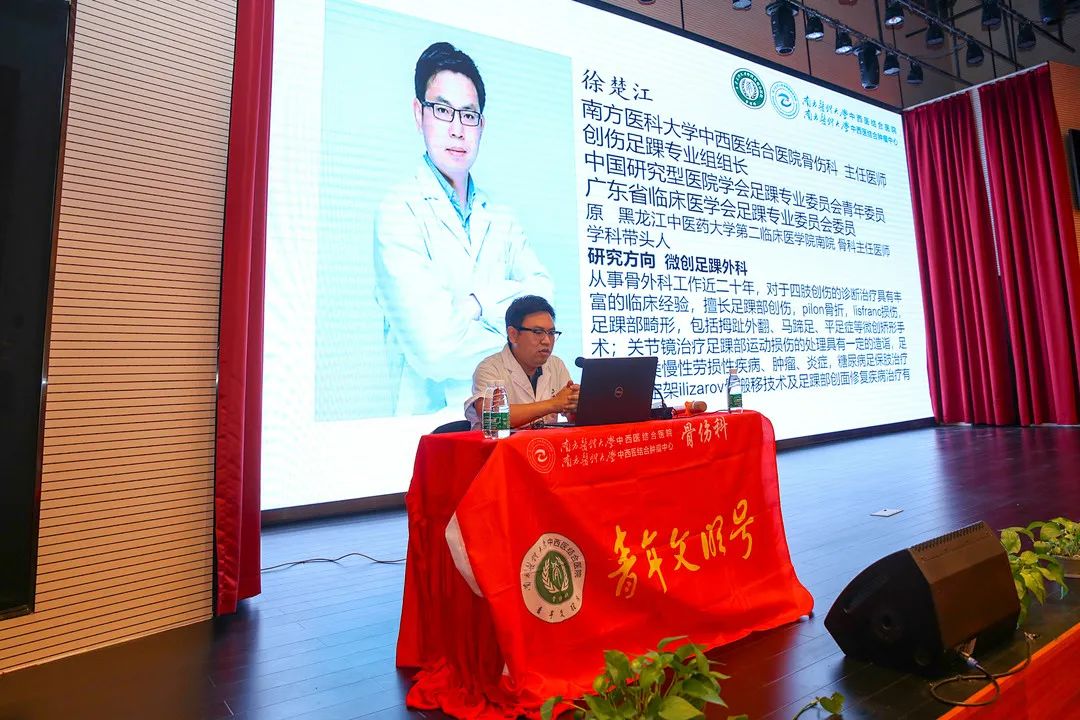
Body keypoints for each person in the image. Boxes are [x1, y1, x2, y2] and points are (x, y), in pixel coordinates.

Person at [374, 42, 553, 415]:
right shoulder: (399, 210)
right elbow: (435, 349)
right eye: (442, 111)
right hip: (429, 425)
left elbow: (544, 304)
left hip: (507, 419)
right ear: (418, 113)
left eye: (469, 115)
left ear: (481, 125)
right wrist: (513, 329)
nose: (457, 130)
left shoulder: (501, 216)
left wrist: (476, 305)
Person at [465, 295, 579, 430]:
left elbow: (573, 418)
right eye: (538, 332)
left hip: (544, 443)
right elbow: (493, 417)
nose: (547, 341)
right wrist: (553, 404)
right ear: (513, 334)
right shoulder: (490, 368)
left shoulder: (556, 365)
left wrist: (576, 405)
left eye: (551, 332)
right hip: (499, 443)